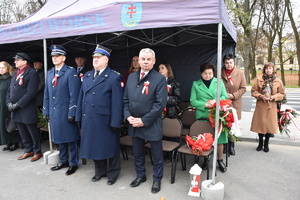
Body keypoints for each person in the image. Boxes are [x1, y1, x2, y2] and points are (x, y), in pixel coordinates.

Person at [76, 44, 124, 185]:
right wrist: (79, 116)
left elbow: (117, 102)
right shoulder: (88, 75)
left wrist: (116, 121)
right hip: (90, 118)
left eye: (98, 57)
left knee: (110, 147)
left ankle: (113, 173)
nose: (95, 60)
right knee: (95, 146)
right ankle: (99, 171)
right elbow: (81, 97)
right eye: (94, 58)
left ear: (106, 60)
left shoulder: (114, 77)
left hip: (105, 119)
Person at [124, 48, 167, 193]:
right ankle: (140, 175)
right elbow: (125, 100)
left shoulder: (159, 79)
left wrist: (143, 120)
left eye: (149, 59)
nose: (145, 61)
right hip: (134, 122)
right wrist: (128, 116)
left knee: (156, 154)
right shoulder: (131, 77)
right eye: (143, 59)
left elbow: (159, 104)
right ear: (138, 61)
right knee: (137, 152)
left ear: (154, 61)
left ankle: (157, 179)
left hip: (151, 123)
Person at [43, 45, 81, 175]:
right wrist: (46, 111)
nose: (54, 58)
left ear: (63, 58)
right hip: (54, 113)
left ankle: (73, 163)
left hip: (66, 112)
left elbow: (74, 95)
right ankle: (63, 160)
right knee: (59, 138)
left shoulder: (70, 72)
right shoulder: (50, 73)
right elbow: (46, 94)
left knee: (70, 139)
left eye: (57, 56)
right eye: (53, 56)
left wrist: (72, 112)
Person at [190, 62, 228, 172]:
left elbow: (224, 96)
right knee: (204, 139)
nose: (208, 76)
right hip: (203, 115)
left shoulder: (219, 82)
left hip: (217, 114)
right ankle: (206, 160)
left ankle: (220, 160)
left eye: (210, 73)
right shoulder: (196, 84)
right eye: (205, 73)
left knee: (219, 140)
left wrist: (215, 101)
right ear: (201, 74)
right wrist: (206, 104)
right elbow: (193, 101)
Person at [6, 53, 42, 161]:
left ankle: (37, 151)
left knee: (32, 130)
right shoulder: (16, 73)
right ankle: (28, 149)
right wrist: (8, 102)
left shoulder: (32, 73)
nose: (15, 62)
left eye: (17, 59)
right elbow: (9, 90)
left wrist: (17, 104)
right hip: (16, 109)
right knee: (22, 130)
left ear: (25, 61)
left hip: (26, 108)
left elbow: (31, 93)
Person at [250, 62, 285, 153]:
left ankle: (266, 143)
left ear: (273, 70)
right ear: (264, 70)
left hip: (271, 106)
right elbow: (253, 91)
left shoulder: (278, 80)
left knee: (270, 126)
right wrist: (261, 96)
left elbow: (281, 93)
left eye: (270, 68)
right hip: (261, 106)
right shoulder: (259, 79)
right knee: (260, 125)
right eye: (266, 68)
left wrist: (274, 97)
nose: (268, 70)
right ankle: (260, 143)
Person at [221, 54, 246, 155]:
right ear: (224, 63)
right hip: (223, 103)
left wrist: (233, 95)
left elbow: (243, 88)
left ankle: (231, 145)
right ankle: (224, 145)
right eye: (227, 63)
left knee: (233, 125)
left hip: (235, 103)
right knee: (223, 124)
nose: (229, 65)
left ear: (234, 63)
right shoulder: (219, 73)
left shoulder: (240, 73)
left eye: (231, 63)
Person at [0, 61, 20, 151]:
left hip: (8, 104)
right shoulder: (1, 79)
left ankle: (15, 142)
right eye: (0, 68)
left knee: (10, 124)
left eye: (3, 68)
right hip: (1, 105)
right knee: (3, 124)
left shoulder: (11, 79)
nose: (1, 70)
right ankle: (8, 142)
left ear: (8, 68)